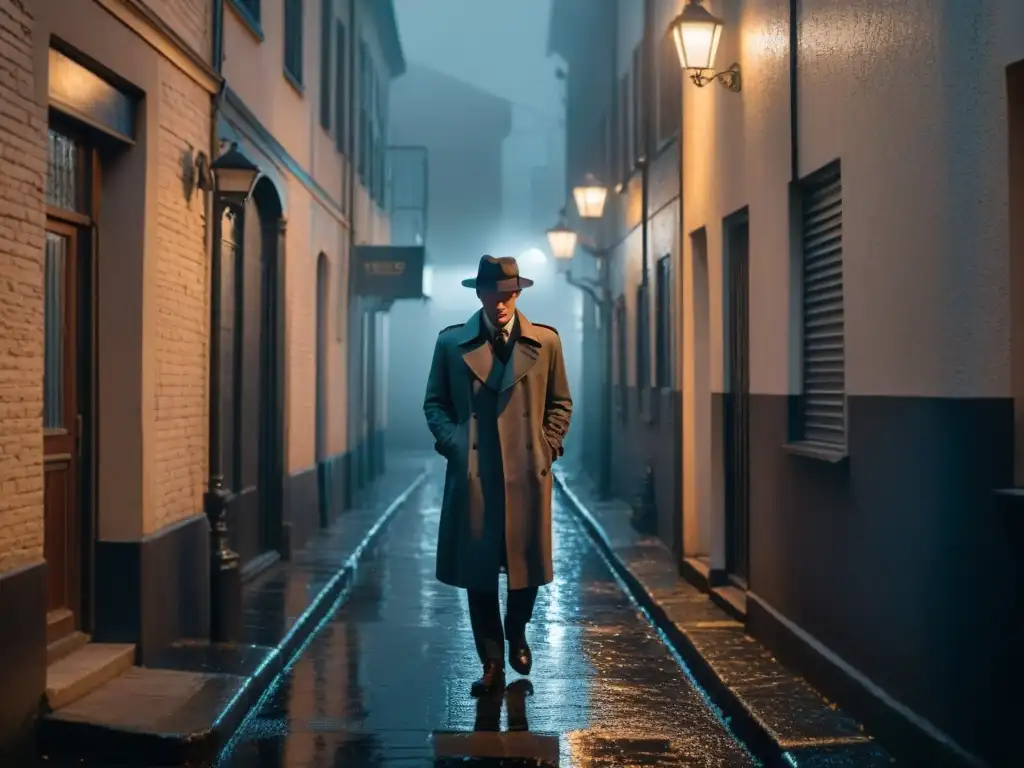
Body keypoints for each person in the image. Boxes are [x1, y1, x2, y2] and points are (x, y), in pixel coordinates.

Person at [423, 254, 573, 696]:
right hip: (476, 474)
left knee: (527, 564)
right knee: (479, 571)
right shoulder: (452, 344)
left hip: (527, 473)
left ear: (518, 294)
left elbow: (560, 402)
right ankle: (491, 661)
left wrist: (548, 445)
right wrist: (455, 445)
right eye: (493, 293)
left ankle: (518, 630)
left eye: (509, 294)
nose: (502, 302)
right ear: (480, 294)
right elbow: (434, 403)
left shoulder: (545, 343)